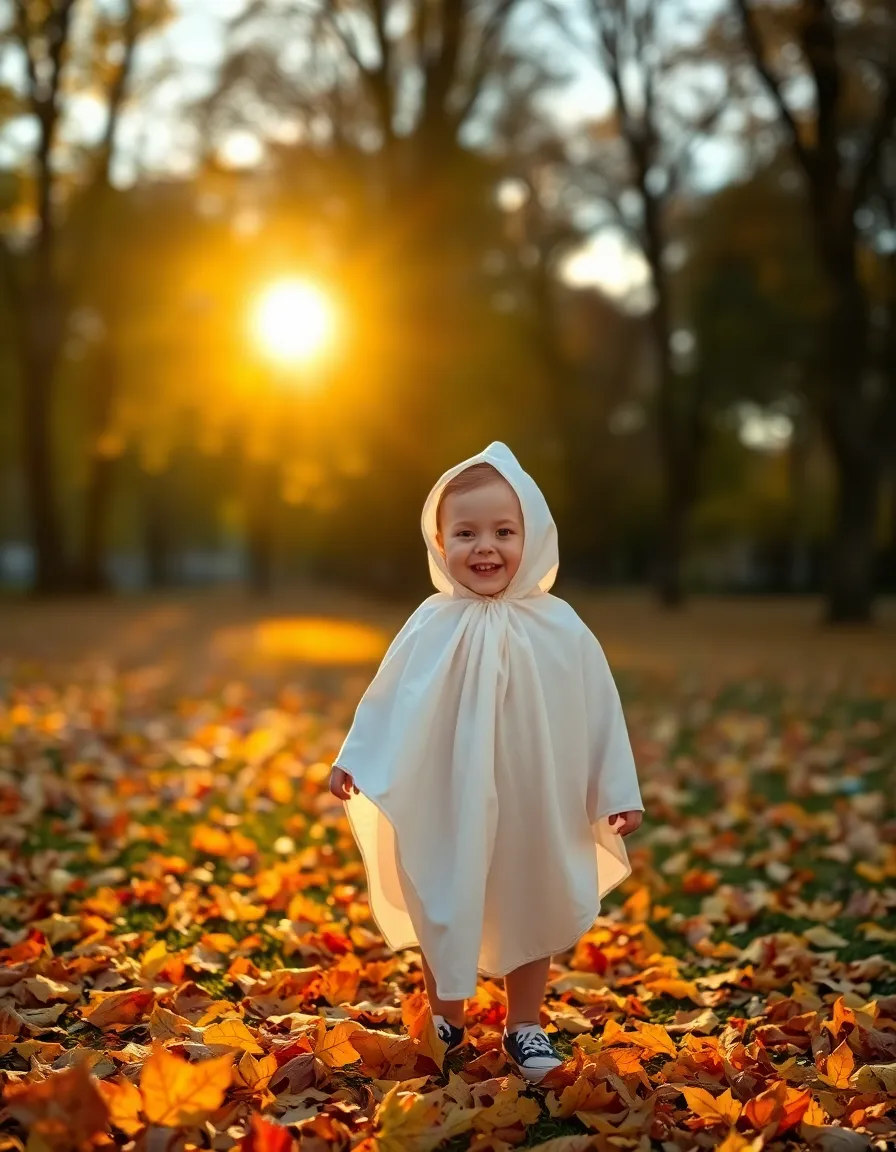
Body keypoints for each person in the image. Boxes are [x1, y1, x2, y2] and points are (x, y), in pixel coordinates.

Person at [329, 442, 643, 1083]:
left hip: (537, 798)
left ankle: (524, 1024)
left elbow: (599, 708)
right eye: (466, 533)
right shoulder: (431, 623)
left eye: (504, 531)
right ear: (440, 543)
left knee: (533, 894)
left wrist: (616, 787)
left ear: (533, 534)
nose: (486, 548)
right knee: (441, 891)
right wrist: (355, 756)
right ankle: (446, 1018)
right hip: (448, 794)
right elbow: (388, 696)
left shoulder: (561, 627)